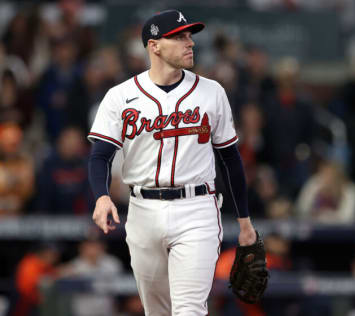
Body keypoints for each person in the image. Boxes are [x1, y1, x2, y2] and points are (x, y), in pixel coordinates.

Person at [87, 10, 258, 316]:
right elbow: (100, 155)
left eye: (190, 36)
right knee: (157, 311)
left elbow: (230, 158)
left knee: (189, 309)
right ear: (154, 46)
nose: (189, 42)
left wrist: (245, 222)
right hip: (143, 209)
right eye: (179, 37)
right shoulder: (120, 96)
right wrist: (101, 196)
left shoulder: (212, 92)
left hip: (197, 207)